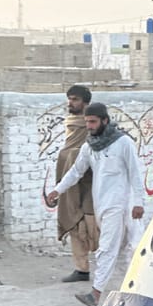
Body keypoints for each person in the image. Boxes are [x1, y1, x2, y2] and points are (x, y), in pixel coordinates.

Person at [47, 102, 145, 306]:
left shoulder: (123, 143)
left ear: (105, 121)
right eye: (87, 122)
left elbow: (136, 173)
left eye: (93, 122)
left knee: (111, 249)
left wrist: (139, 202)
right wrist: (57, 190)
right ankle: (136, 294)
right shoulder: (89, 147)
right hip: (103, 204)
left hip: (121, 205)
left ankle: (96, 294)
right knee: (125, 250)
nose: (89, 126)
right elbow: (76, 172)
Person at [55, 85, 98, 284]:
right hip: (72, 186)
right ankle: (81, 269)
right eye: (69, 99)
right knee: (75, 224)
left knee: (92, 226)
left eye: (75, 99)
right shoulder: (71, 125)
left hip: (92, 185)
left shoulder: (94, 127)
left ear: (86, 103)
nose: (70, 103)